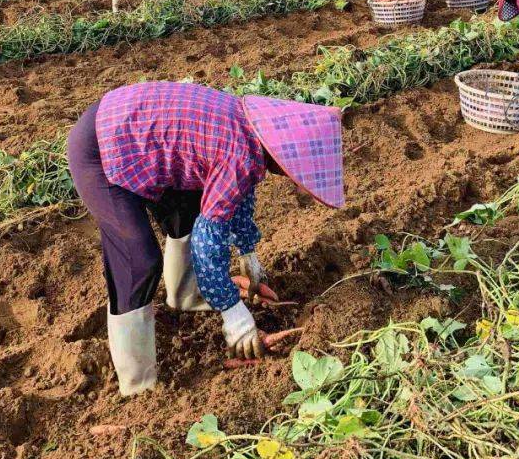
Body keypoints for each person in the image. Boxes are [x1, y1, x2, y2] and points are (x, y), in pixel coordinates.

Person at [66, 81, 344, 396]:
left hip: (139, 133)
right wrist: (234, 315)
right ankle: (138, 386)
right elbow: (207, 242)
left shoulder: (250, 135)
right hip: (101, 146)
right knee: (138, 260)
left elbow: (237, 200)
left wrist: (247, 255)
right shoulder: (237, 152)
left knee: (190, 206)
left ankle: (186, 296)